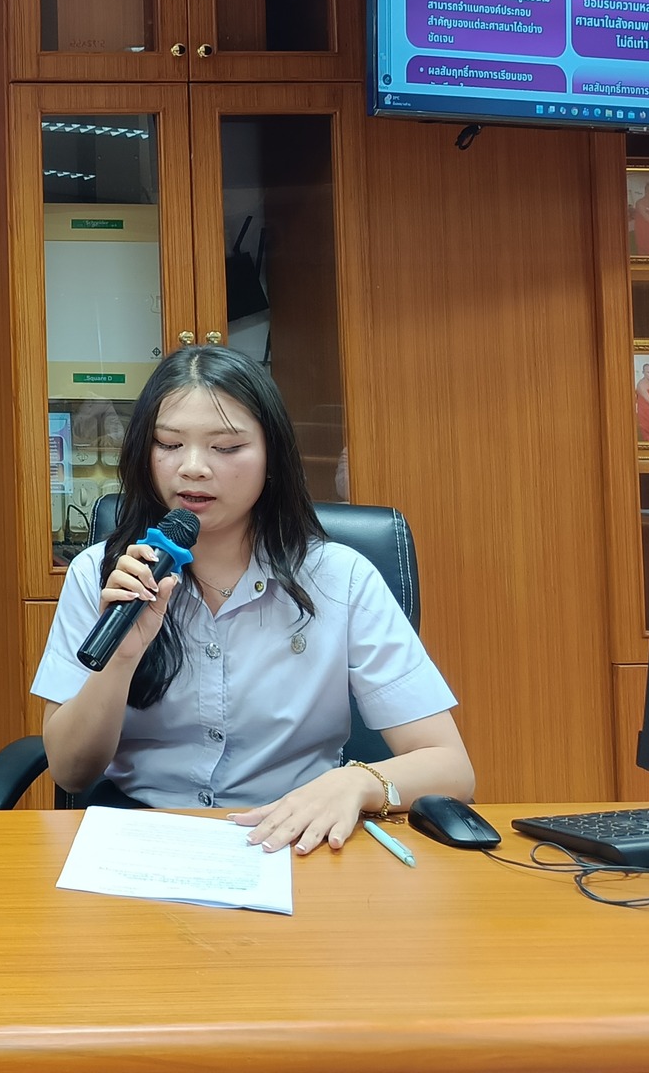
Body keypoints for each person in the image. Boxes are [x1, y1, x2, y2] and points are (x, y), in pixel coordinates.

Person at [32, 345, 474, 853]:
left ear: (271, 456)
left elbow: (451, 769)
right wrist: (121, 659)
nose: (193, 468)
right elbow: (70, 771)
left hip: (290, 838)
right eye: (169, 444)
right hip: (141, 837)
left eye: (226, 447)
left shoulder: (340, 579)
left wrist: (355, 782)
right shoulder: (102, 574)